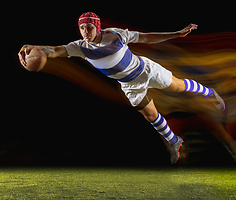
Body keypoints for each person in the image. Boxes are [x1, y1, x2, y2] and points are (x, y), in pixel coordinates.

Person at [18, 12, 225, 164]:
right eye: (82, 28)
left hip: (146, 70)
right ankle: (174, 141)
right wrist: (34, 48)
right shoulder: (80, 47)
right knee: (150, 115)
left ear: (97, 27)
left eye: (89, 27)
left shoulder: (115, 35)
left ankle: (210, 93)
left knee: (179, 86)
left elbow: (146, 37)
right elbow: (54, 50)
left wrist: (176, 34)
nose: (85, 31)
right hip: (129, 85)